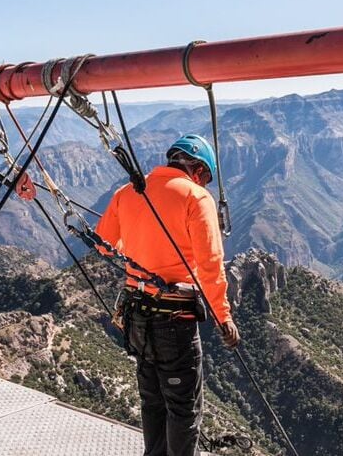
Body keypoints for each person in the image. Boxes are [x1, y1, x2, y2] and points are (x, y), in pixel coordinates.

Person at [96, 134, 240, 456]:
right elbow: (210, 265)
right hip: (174, 322)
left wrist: (138, 247)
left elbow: (102, 245)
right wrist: (222, 316)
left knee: (153, 402)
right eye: (205, 176)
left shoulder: (128, 191)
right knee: (183, 409)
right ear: (199, 169)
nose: (205, 183)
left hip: (137, 320)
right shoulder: (196, 197)